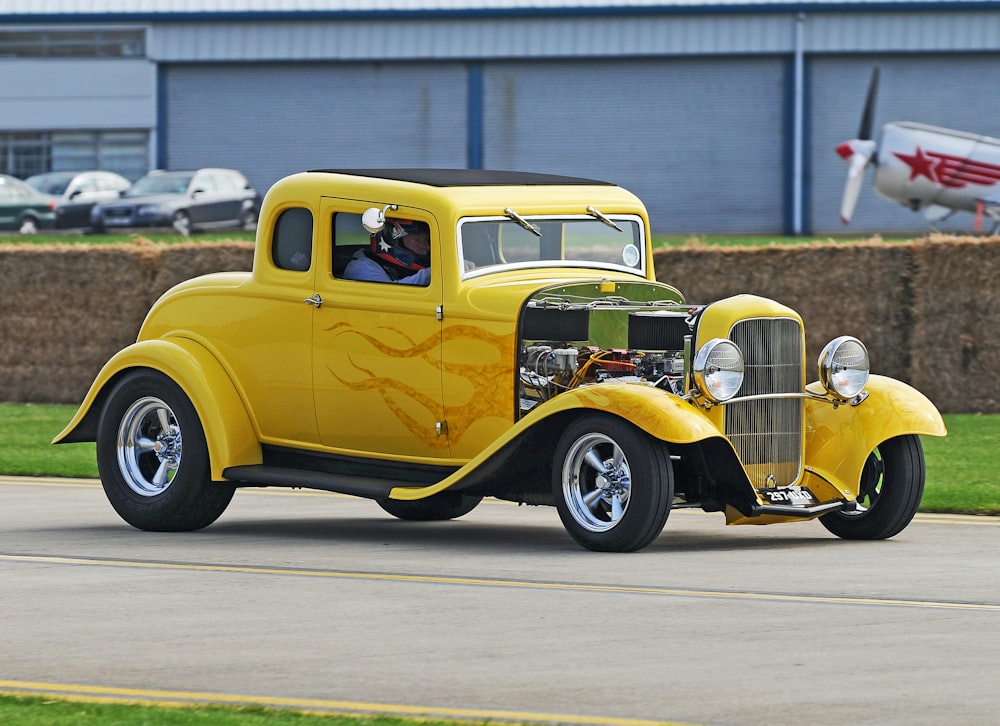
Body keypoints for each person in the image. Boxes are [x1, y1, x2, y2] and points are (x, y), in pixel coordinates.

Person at [343, 217, 431, 286]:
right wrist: (430, 274)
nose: (425, 247)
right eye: (415, 240)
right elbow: (387, 295)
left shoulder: (399, 269)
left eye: (426, 240)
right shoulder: (361, 267)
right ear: (392, 240)